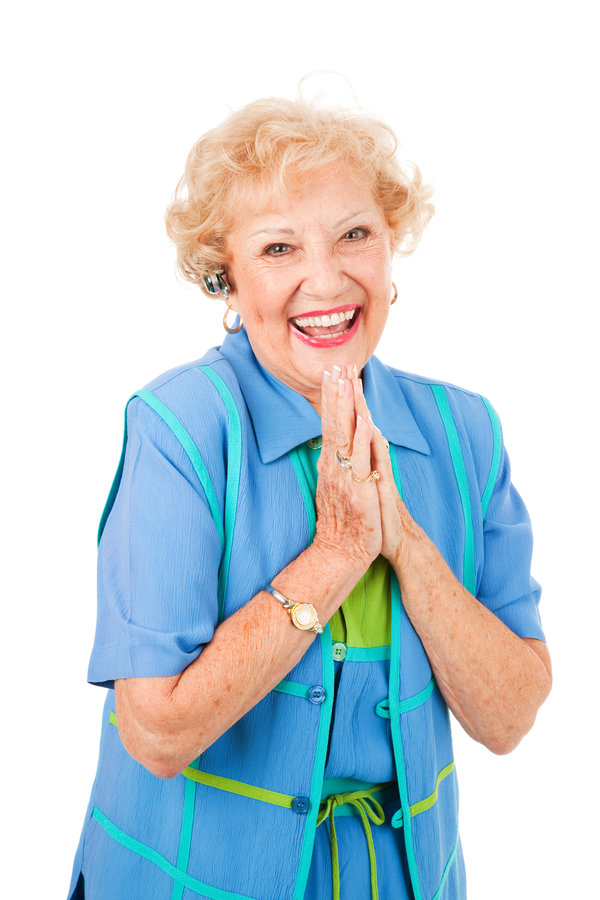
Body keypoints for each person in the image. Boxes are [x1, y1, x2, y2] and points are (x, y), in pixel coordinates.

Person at [68, 97, 551, 900]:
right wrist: (334, 555)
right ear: (227, 275)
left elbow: (510, 717)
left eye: (355, 234)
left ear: (394, 246)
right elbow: (156, 732)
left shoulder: (465, 431)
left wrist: (407, 546)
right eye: (279, 247)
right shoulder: (179, 430)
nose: (325, 281)